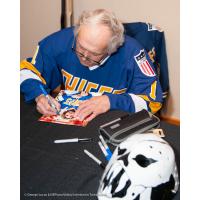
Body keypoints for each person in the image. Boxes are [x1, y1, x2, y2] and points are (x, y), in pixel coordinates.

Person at [20, 9, 163, 122]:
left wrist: (110, 101)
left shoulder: (134, 54)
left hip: (112, 121)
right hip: (73, 119)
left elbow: (152, 102)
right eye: (80, 47)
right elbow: (26, 70)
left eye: (94, 53)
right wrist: (39, 95)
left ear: (112, 49)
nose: (84, 57)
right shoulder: (60, 40)